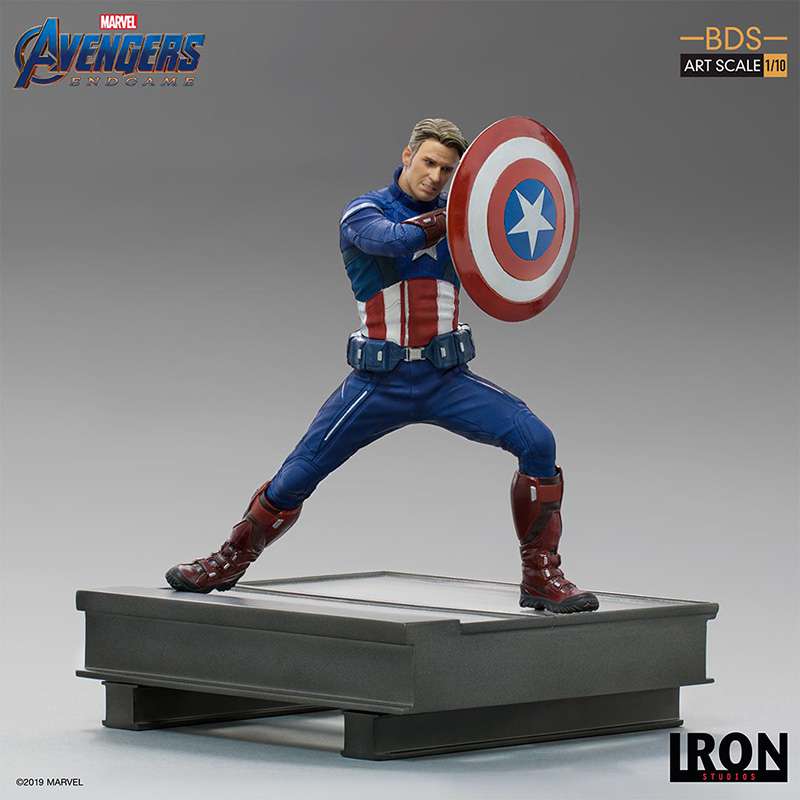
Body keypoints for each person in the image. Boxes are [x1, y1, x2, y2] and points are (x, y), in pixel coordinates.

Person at [166, 118, 598, 614]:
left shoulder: (466, 220)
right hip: (378, 384)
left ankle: (540, 576)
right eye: (429, 162)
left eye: (448, 170)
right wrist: (462, 214)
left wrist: (502, 207)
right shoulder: (366, 211)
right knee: (295, 477)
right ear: (407, 155)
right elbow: (388, 241)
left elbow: (519, 249)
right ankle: (228, 560)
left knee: (538, 441)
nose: (435, 176)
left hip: (446, 380)